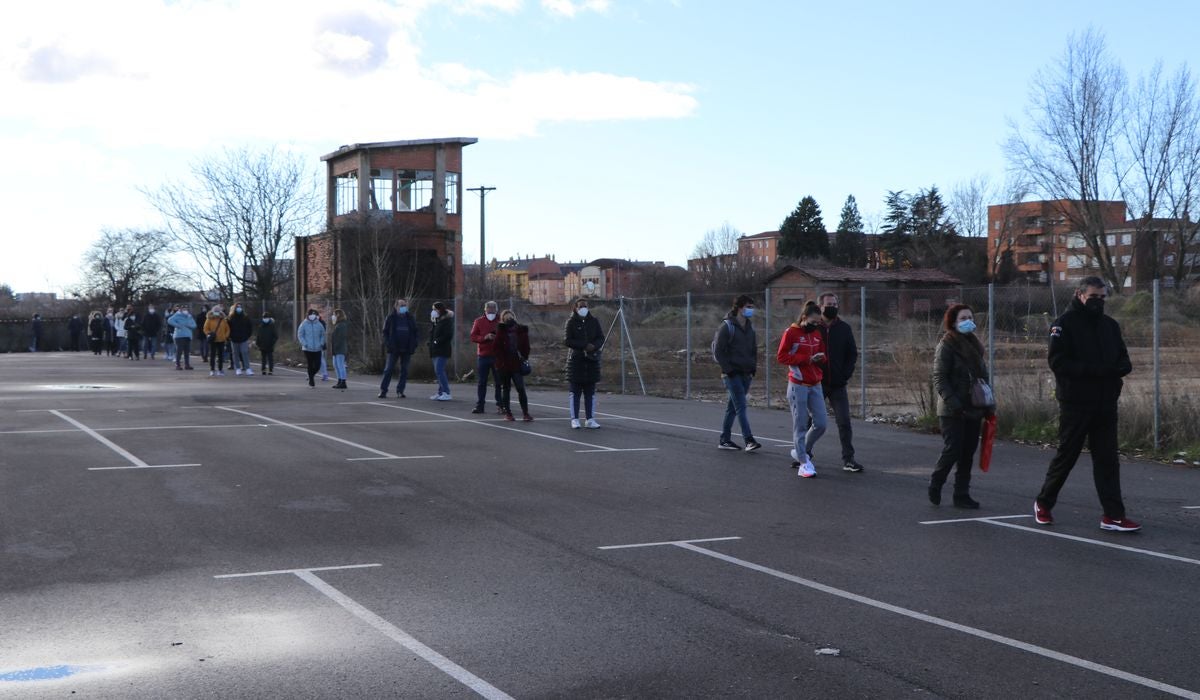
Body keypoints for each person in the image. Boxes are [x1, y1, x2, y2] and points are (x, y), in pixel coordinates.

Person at [1034, 277, 1139, 532]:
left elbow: (1123, 357)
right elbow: (1058, 362)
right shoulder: (1064, 324)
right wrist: (1094, 371)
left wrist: (1120, 369)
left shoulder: (1110, 325)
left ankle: (1113, 515)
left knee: (1107, 460)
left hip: (1106, 402)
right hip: (1076, 402)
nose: (1098, 302)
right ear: (1080, 295)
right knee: (1067, 455)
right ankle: (1044, 503)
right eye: (1093, 297)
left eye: (1102, 297)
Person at [929, 303, 991, 509]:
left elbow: (983, 377)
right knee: (953, 449)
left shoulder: (975, 346)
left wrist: (989, 403)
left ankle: (961, 494)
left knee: (967, 453)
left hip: (974, 406)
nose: (968, 321)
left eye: (970, 318)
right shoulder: (946, 345)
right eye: (963, 318)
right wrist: (954, 403)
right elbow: (939, 378)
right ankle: (937, 482)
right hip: (952, 409)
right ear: (953, 322)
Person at [777, 302, 827, 478]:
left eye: (818, 322)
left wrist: (821, 358)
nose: (816, 325)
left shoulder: (817, 334)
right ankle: (804, 463)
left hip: (815, 384)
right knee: (800, 425)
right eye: (813, 322)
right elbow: (782, 356)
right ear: (804, 318)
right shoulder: (791, 333)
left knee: (821, 423)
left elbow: (822, 354)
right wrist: (806, 359)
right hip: (798, 384)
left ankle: (801, 451)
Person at [817, 293, 863, 472]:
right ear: (820, 307)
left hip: (838, 384)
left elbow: (852, 353)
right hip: (817, 384)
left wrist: (845, 375)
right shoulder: (814, 328)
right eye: (829, 304)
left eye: (835, 304)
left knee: (844, 422)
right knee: (809, 421)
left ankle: (849, 459)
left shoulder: (844, 328)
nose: (833, 307)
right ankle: (803, 456)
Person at [714, 294, 762, 452]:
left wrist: (753, 367)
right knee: (741, 406)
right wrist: (729, 370)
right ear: (740, 308)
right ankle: (749, 439)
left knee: (732, 408)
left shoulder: (750, 327)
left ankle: (725, 439)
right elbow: (719, 351)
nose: (751, 310)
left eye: (752, 307)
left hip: (746, 373)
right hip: (732, 374)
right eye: (748, 307)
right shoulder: (727, 326)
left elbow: (753, 349)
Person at [564, 298, 604, 429]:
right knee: (575, 392)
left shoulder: (594, 321)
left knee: (590, 393)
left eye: (585, 306)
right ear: (575, 308)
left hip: (591, 361)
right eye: (581, 306)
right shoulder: (571, 322)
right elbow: (568, 341)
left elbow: (600, 338)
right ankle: (575, 419)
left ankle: (590, 419)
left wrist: (594, 346)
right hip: (576, 361)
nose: (583, 308)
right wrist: (583, 345)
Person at [493, 309, 533, 421]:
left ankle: (525, 413)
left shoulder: (521, 330)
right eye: (506, 318)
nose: (509, 319)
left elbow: (526, 346)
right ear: (503, 319)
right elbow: (496, 347)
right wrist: (501, 361)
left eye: (510, 317)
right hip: (504, 365)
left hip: (517, 364)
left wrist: (524, 357)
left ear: (514, 318)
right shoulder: (501, 330)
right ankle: (508, 413)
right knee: (506, 389)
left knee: (520, 388)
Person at [379, 299, 418, 398]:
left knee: (404, 371)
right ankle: (383, 390)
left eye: (405, 305)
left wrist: (414, 343)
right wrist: (388, 344)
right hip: (394, 348)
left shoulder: (410, 318)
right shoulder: (391, 318)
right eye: (401, 305)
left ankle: (400, 390)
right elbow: (385, 332)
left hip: (407, 348)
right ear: (396, 306)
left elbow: (415, 332)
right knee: (388, 370)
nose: (403, 307)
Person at [469, 301, 502, 414]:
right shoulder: (478, 321)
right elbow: (473, 337)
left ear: (496, 309)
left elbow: (507, 336)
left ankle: (501, 405)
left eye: (493, 308)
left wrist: (497, 338)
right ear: (485, 309)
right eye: (489, 308)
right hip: (483, 355)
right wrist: (484, 337)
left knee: (499, 382)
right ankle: (480, 405)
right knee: (482, 382)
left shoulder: (501, 321)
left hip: (498, 356)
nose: (491, 310)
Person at [428, 302, 454, 400]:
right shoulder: (436, 321)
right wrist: (431, 342)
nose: (433, 311)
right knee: (437, 371)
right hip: (435, 349)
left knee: (439, 370)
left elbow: (448, 335)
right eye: (433, 309)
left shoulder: (447, 321)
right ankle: (440, 392)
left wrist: (436, 341)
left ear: (440, 310)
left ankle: (446, 392)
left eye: (435, 309)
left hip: (443, 349)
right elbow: (433, 333)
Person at [297, 308, 326, 387]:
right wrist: (304, 343)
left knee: (317, 365)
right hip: (307, 348)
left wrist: (321, 343)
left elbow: (323, 334)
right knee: (310, 364)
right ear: (308, 315)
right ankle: (311, 381)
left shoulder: (319, 324)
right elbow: (300, 335)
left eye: (314, 315)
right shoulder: (304, 324)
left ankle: (311, 376)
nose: (312, 316)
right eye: (311, 314)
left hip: (318, 348)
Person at [226, 302, 255, 376]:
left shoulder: (245, 317)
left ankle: (247, 368)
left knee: (244, 352)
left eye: (240, 307)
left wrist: (247, 336)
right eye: (237, 307)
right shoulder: (230, 318)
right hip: (234, 339)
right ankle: (238, 368)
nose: (239, 308)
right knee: (235, 353)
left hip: (243, 338)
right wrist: (229, 336)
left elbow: (250, 327)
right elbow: (227, 328)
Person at [203, 305, 231, 376]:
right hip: (213, 340)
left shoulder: (223, 320)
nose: (217, 312)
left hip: (221, 340)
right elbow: (205, 329)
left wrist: (225, 336)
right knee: (212, 355)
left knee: (221, 356)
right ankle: (212, 369)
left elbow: (227, 329)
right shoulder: (209, 319)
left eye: (218, 311)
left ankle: (220, 369)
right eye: (215, 311)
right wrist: (209, 334)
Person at [168, 305, 196, 370]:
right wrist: (178, 325)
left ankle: (187, 365)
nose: (185, 310)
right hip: (179, 336)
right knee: (179, 351)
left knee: (187, 351)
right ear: (180, 310)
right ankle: (177, 365)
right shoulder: (177, 315)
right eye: (184, 309)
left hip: (188, 336)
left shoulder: (189, 316)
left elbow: (194, 325)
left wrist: (189, 325)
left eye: (186, 309)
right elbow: (169, 320)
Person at [329, 307, 349, 390]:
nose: (333, 316)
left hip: (340, 349)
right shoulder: (337, 325)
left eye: (334, 314)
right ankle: (339, 380)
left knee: (340, 365)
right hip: (336, 349)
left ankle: (343, 382)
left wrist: (336, 347)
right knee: (336, 365)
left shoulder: (342, 325)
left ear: (338, 315)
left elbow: (340, 337)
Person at [256, 311, 278, 375]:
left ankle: (270, 370)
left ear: (269, 318)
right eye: (264, 317)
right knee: (263, 358)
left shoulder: (272, 326)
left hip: (270, 345)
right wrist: (258, 343)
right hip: (262, 345)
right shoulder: (260, 326)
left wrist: (272, 342)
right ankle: (263, 369)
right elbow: (258, 336)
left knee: (270, 358)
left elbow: (276, 336)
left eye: (267, 317)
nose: (265, 319)